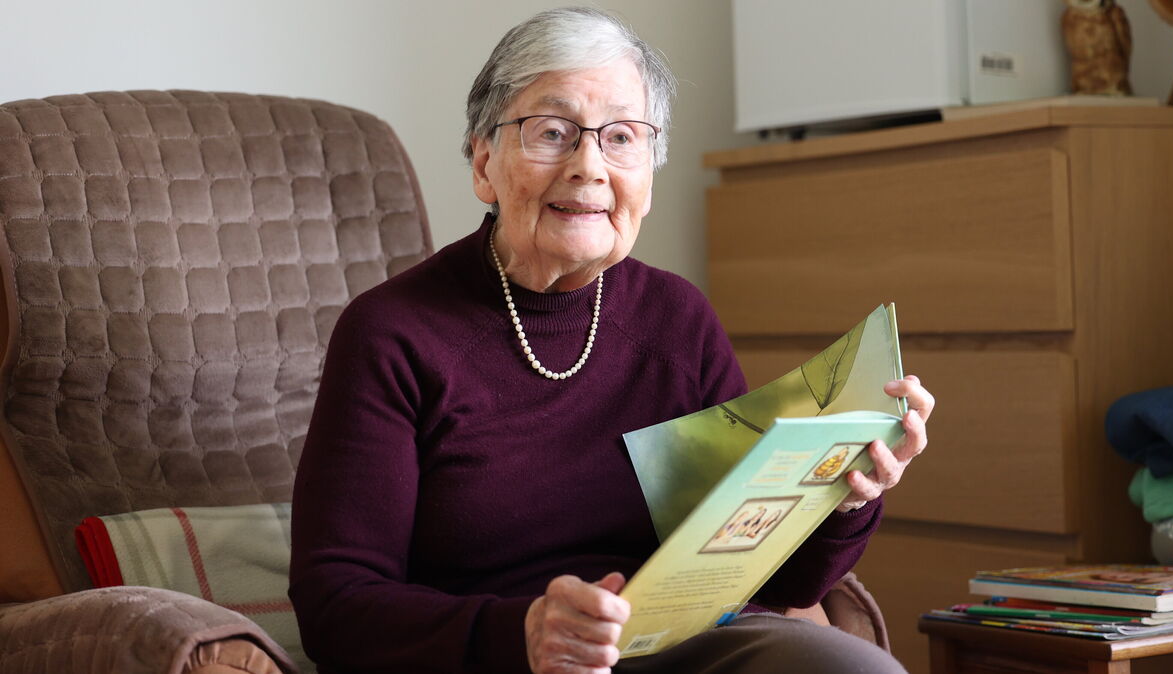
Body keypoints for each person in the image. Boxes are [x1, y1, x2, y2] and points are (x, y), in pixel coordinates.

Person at [289, 7, 934, 674]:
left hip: (676, 651)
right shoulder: (392, 334)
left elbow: (777, 582)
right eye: (552, 132)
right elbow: (336, 604)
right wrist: (524, 633)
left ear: (648, 176)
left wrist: (847, 496)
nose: (588, 165)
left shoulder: (678, 320)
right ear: (484, 163)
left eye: (621, 137)